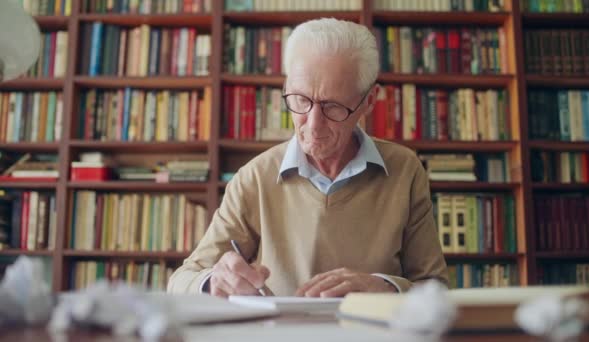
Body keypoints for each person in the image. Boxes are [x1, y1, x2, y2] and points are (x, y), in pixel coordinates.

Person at [168, 18, 447, 297]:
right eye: (300, 100)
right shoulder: (255, 176)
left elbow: (435, 287)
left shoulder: (405, 169)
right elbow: (181, 280)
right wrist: (214, 281)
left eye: (332, 106)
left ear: (369, 101)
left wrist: (385, 287)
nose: (313, 124)